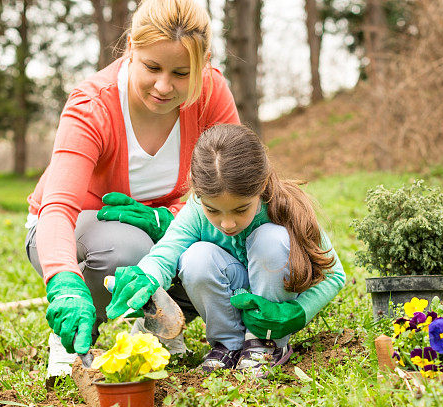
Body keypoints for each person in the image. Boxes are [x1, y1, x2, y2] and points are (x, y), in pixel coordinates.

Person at [23, 0, 239, 384]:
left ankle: (157, 327)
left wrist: (167, 219)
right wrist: (62, 281)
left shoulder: (210, 94)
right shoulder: (93, 105)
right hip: (75, 231)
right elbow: (56, 208)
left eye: (181, 73)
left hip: (168, 227)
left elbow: (234, 185)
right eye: (152, 67)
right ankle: (70, 334)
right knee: (125, 251)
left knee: (225, 234)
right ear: (131, 51)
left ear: (203, 65)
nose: (164, 86)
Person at [105, 123, 346, 377]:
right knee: (196, 257)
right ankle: (227, 346)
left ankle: (265, 344)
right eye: (213, 210)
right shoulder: (196, 210)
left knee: (270, 239)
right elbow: (166, 251)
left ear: (262, 185)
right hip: (230, 295)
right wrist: (145, 275)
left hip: (272, 309)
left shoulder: (286, 207)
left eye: (241, 209)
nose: (227, 223)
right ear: (197, 192)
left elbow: (336, 275)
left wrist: (298, 313)